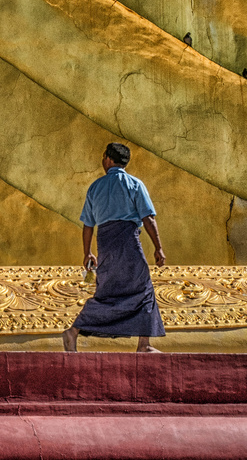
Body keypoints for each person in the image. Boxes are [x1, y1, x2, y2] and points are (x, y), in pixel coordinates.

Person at [62, 143, 166, 353]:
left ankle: (73, 332)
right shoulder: (135, 184)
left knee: (106, 293)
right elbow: (148, 218)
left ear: (108, 159)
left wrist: (87, 253)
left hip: (105, 245)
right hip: (128, 243)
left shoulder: (95, 187)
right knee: (144, 289)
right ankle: (144, 344)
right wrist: (158, 248)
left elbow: (88, 225)